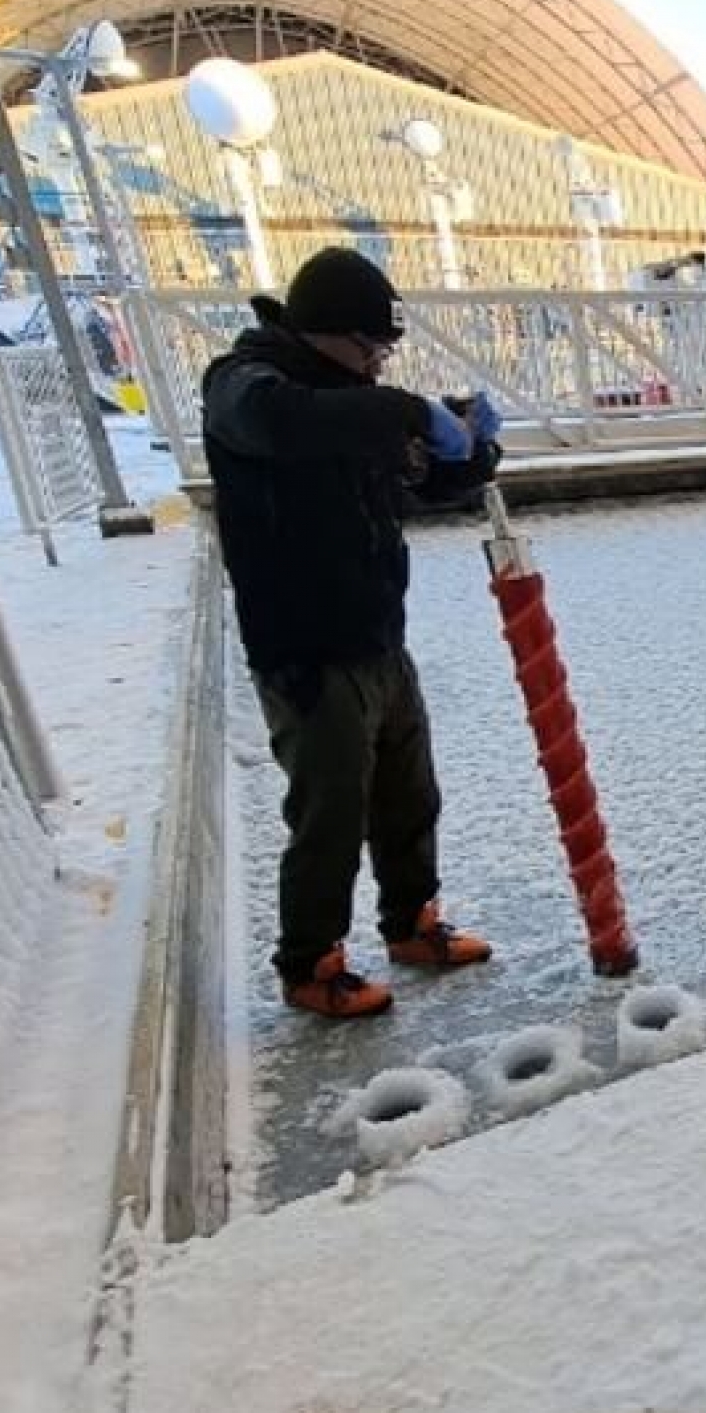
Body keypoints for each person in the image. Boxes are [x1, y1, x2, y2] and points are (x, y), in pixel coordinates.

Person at [201, 247, 504, 1018]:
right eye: (369, 347)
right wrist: (410, 410)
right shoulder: (246, 385)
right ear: (322, 330)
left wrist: (471, 450)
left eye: (385, 353)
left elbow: (418, 481)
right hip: (306, 651)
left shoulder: (350, 398)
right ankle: (311, 962)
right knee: (330, 811)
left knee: (409, 794)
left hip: (379, 637)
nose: (376, 365)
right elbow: (287, 424)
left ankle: (412, 922)